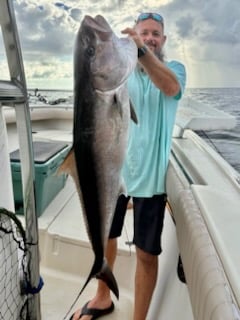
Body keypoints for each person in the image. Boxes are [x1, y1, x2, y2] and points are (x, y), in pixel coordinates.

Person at [70, 12, 186, 320]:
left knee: (147, 254)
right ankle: (102, 296)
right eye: (143, 32)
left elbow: (171, 88)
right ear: (135, 33)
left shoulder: (174, 69)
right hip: (115, 172)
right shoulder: (124, 72)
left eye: (155, 34)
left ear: (163, 40)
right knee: (106, 237)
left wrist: (141, 51)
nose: (149, 37)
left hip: (150, 181)